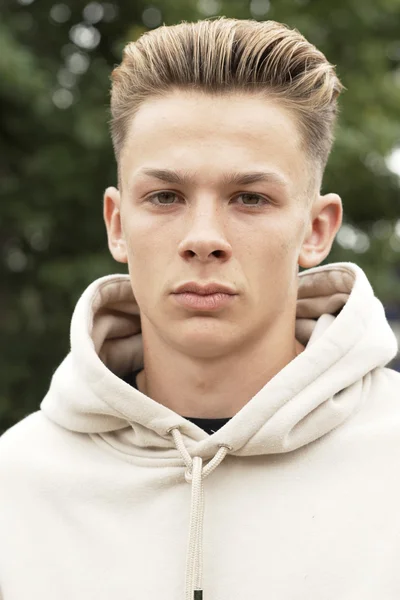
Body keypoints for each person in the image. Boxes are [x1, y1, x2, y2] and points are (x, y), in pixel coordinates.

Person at [0, 16, 399, 600]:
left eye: (249, 198)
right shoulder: (16, 485)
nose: (203, 236)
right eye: (165, 196)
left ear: (316, 230)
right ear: (117, 223)